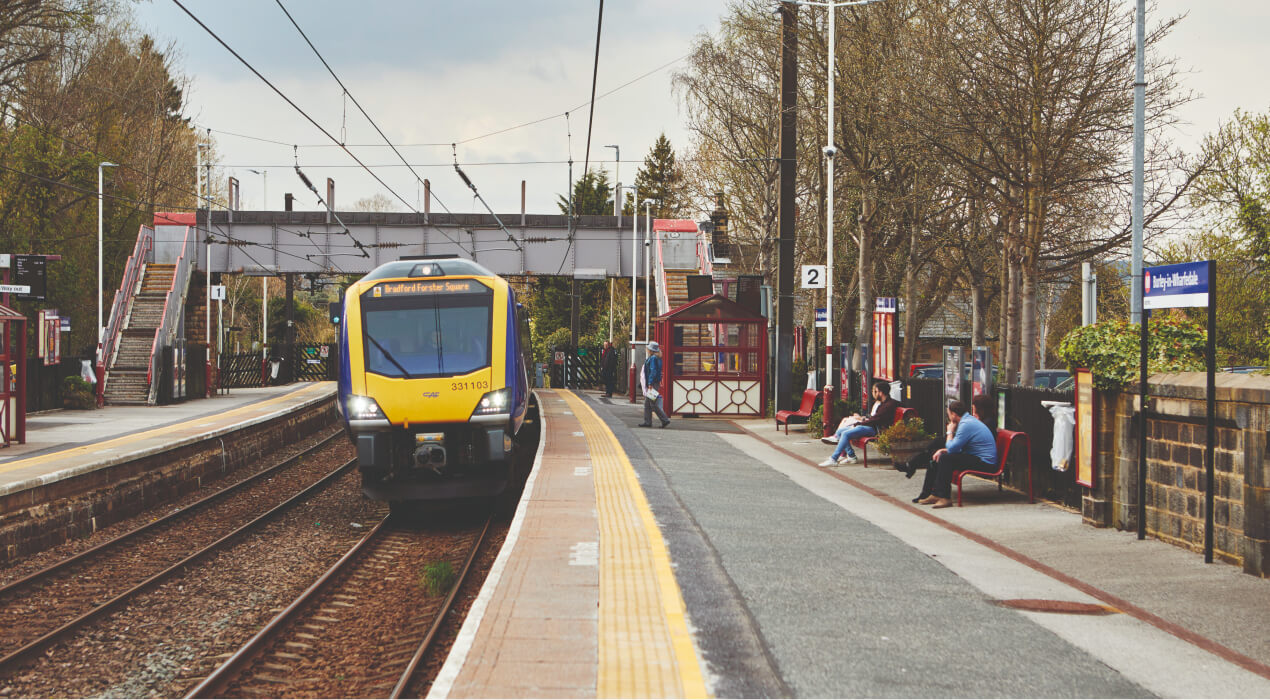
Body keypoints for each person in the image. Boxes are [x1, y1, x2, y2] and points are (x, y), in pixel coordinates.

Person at [913, 394, 998, 508]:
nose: (949, 418)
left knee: (946, 459)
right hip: (976, 457)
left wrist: (950, 431)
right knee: (939, 456)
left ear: (953, 414)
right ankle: (935, 494)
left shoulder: (966, 424)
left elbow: (953, 448)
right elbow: (957, 446)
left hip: (985, 462)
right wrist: (943, 450)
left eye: (949, 415)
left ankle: (944, 498)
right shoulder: (967, 421)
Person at [818, 380, 900, 466]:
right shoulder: (885, 403)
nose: (873, 394)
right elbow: (874, 418)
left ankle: (834, 459)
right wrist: (862, 420)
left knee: (845, 434)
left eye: (875, 391)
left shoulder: (887, 405)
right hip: (871, 426)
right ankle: (851, 455)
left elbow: (875, 419)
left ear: (880, 392)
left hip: (875, 429)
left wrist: (860, 423)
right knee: (840, 431)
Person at [638, 341, 671, 428]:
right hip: (654, 383)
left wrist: (650, 383)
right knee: (647, 403)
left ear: (651, 350)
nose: (647, 349)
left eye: (648, 348)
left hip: (653, 383)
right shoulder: (657, 358)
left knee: (652, 403)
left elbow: (653, 371)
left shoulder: (653, 358)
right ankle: (647, 421)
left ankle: (665, 420)